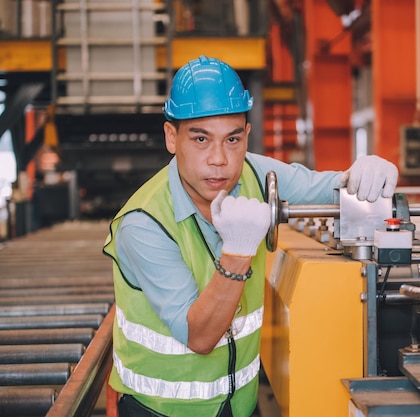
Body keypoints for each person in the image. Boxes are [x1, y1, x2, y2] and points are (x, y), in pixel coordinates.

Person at [103, 55, 398, 417]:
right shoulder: (144, 224)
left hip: (239, 405)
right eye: (200, 138)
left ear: (247, 135)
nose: (219, 159)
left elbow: (332, 188)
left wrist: (368, 174)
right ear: (171, 137)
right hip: (162, 410)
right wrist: (238, 253)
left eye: (232, 139)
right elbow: (199, 336)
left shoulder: (257, 176)